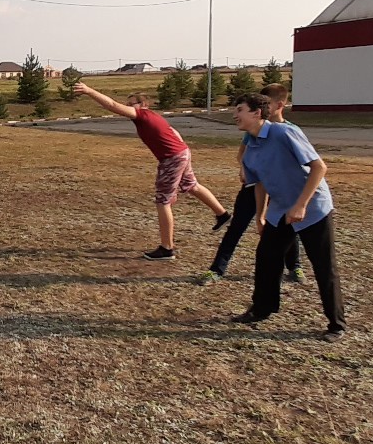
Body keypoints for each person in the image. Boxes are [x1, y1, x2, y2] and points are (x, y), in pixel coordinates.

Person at [227, 92, 346, 340]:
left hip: (312, 207)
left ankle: (336, 324)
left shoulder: (283, 133)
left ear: (257, 113)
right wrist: (261, 216)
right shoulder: (250, 147)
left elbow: (319, 167)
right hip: (280, 210)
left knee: (323, 265)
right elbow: (258, 184)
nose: (234, 115)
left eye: (239, 109)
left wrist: (301, 205)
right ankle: (262, 308)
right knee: (266, 257)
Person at [71, 81, 229, 259]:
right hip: (182, 152)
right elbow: (175, 133)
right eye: (128, 104)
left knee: (163, 201)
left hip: (173, 158)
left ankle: (167, 249)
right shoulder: (154, 117)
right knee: (192, 185)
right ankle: (222, 215)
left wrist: (89, 90)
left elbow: (112, 105)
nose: (129, 107)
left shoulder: (143, 115)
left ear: (144, 105)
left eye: (133, 104)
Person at [198, 82, 306, 285]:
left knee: (288, 227)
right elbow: (243, 154)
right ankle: (217, 269)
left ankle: (295, 267)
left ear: (280, 105)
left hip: (279, 190)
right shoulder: (252, 131)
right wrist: (245, 168)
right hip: (254, 187)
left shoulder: (289, 130)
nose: (264, 108)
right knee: (236, 227)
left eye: (268, 103)